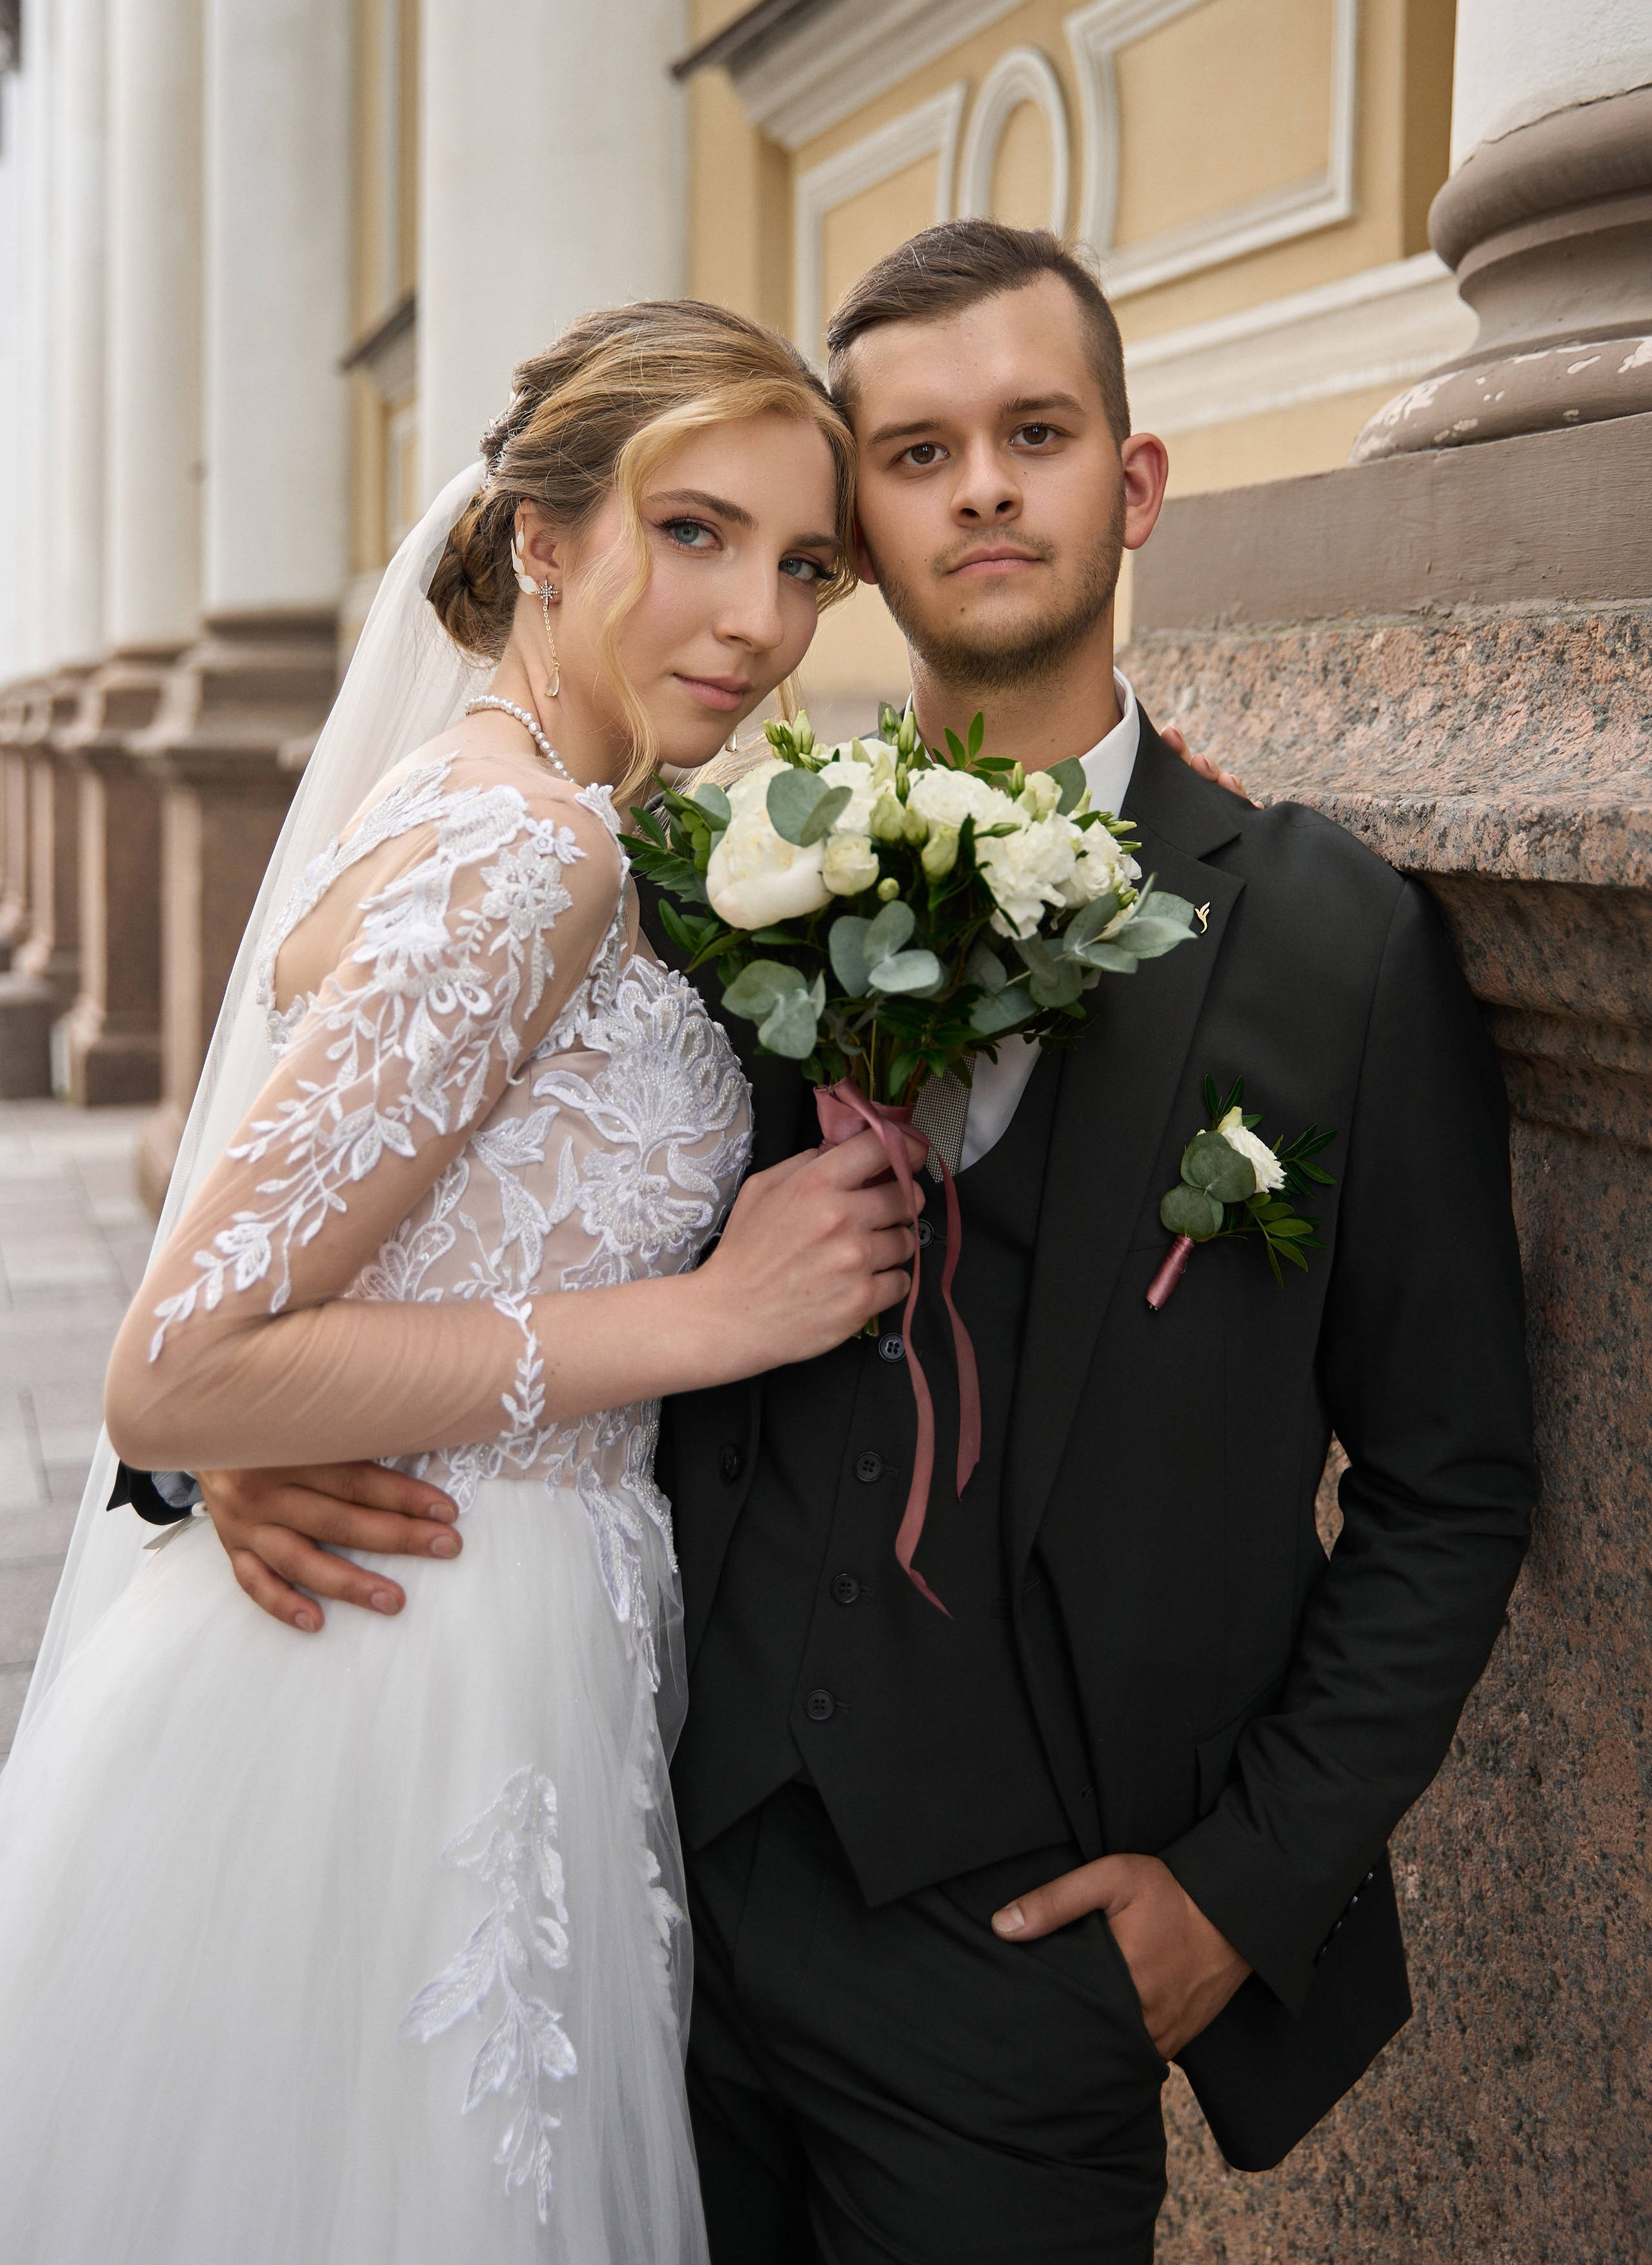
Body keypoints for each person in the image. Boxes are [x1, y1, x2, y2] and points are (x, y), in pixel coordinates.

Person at [183, 226, 1535, 2260]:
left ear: (1133, 485)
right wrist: (214, 1436)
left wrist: (1240, 1894)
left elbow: (1455, 1484)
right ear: (864, 543)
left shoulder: (1332, 940)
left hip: (1026, 1963)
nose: (984, 484)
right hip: (649, 1894)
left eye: (1039, 432)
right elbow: (397, 1185)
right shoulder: (706, 883)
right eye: (917, 455)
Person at [0, 300, 939, 2264]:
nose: (759, 622)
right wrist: (706, 1318)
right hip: (415, 1658)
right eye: (694, 534)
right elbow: (178, 1371)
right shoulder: (526, 852)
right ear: (545, 540)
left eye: (802, 565)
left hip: (474, 1617)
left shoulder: (543, 812)